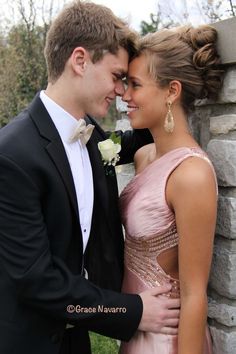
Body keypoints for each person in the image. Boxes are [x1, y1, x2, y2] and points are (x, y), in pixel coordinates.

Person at [0, 2, 180, 354]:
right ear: (80, 60)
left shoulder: (91, 135)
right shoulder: (12, 155)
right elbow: (38, 282)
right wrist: (131, 311)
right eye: (116, 77)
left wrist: (169, 92)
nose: (120, 91)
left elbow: (130, 140)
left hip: (75, 339)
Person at [119, 24, 224, 354]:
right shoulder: (141, 156)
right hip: (137, 327)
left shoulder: (192, 175)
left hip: (169, 341)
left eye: (135, 85)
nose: (125, 96)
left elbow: (194, 294)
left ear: (172, 91)